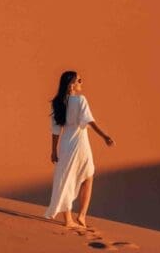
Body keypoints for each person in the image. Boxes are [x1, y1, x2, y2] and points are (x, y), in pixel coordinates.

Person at [44, 70, 114, 228]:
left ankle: (68, 219)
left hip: (65, 145)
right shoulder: (80, 100)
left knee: (65, 178)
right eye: (79, 80)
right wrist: (104, 136)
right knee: (88, 176)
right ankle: (81, 216)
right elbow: (90, 121)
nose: (82, 83)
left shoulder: (57, 103)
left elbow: (55, 130)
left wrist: (53, 150)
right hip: (80, 144)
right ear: (71, 85)